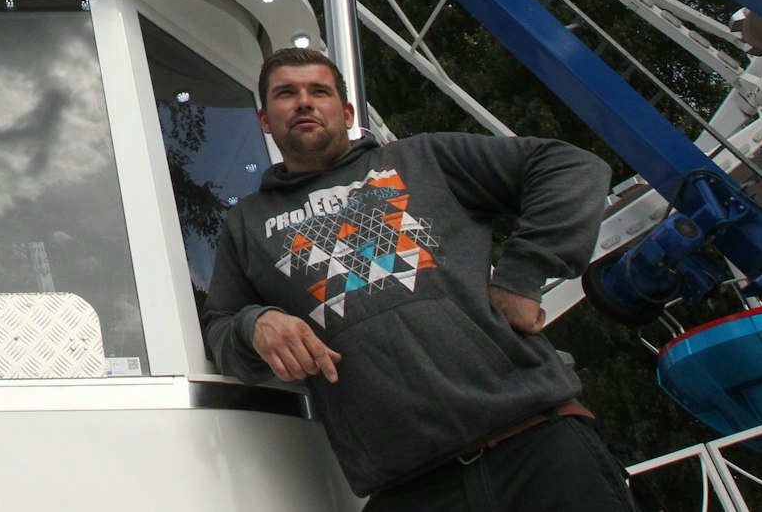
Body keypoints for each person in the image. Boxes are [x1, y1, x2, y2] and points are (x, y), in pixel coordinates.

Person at [200, 48, 635, 511]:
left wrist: (524, 273)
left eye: (319, 92)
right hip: (409, 489)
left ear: (346, 113)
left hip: (534, 444)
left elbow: (570, 167)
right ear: (265, 120)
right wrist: (256, 324)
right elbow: (220, 327)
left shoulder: (424, 158)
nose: (304, 103)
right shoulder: (248, 225)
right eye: (287, 93)